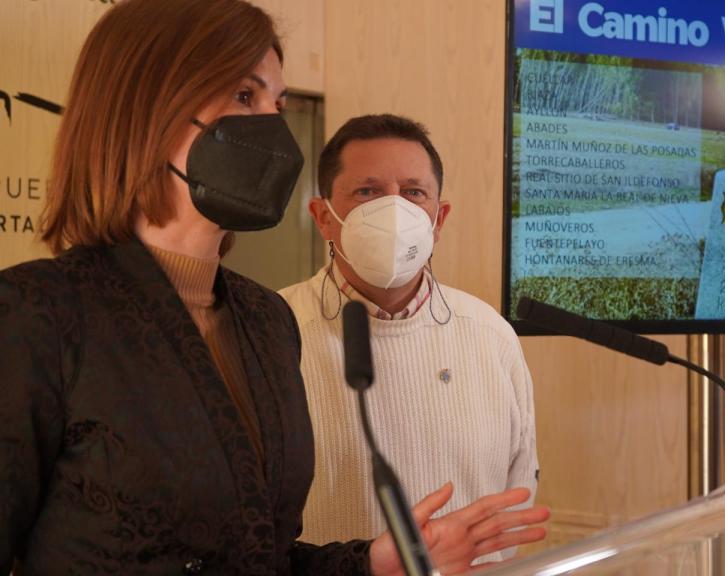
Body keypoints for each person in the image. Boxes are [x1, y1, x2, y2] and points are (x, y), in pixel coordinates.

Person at [0, 1, 547, 574]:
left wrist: (375, 563)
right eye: (245, 96)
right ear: (146, 112)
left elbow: (262, 558)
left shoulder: (264, 322)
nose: (274, 127)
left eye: (278, 104)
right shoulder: (35, 317)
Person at [279, 114, 539, 559]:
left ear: (439, 219)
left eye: (413, 193)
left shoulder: (491, 334)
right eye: (368, 192)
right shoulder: (274, 331)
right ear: (323, 216)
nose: (394, 211)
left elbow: (514, 499)